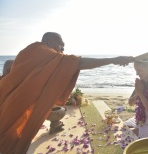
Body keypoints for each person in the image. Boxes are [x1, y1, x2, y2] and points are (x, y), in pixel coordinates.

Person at [0, 32, 134, 154]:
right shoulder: (39, 50)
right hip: (11, 107)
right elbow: (78, 63)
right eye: (60, 45)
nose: (63, 49)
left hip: (9, 103)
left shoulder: (31, 53)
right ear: (47, 41)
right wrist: (112, 60)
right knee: (8, 143)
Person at [124, 58, 148, 138]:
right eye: (135, 70)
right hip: (138, 121)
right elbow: (130, 103)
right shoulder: (140, 82)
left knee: (126, 134)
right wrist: (137, 93)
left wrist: (140, 93)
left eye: (139, 70)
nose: (137, 73)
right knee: (122, 128)